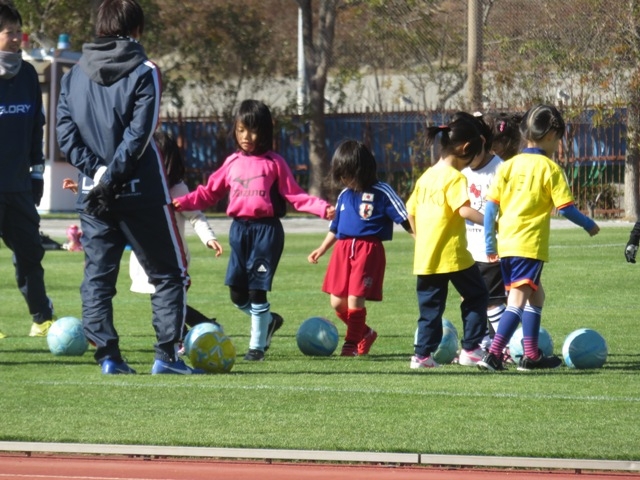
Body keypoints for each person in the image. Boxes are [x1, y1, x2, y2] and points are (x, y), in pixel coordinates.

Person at [56, 0, 195, 375]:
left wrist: (98, 175)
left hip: (93, 193)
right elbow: (140, 135)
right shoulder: (145, 70)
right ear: (136, 30)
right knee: (169, 273)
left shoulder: (73, 75)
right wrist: (114, 176)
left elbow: (64, 134)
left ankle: (108, 357)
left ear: (100, 27)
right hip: (141, 191)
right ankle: (167, 356)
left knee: (98, 279)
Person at [173, 99, 335, 361]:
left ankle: (256, 348)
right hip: (239, 231)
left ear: (265, 132)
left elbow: (295, 195)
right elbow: (209, 193)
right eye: (241, 130)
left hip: (266, 232)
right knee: (237, 295)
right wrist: (183, 202)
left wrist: (321, 208)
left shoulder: (274, 163)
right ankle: (269, 321)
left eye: (253, 130)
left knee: (257, 291)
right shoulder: (232, 162)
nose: (247, 137)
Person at [478, 104, 600, 372]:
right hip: (529, 245)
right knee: (518, 301)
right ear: (550, 135)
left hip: (508, 245)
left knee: (537, 296)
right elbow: (565, 207)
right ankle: (495, 353)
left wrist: (490, 242)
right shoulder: (549, 168)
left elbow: (490, 208)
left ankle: (531, 355)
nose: (557, 144)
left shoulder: (507, 166)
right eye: (558, 138)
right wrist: (588, 224)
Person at [307, 140, 413, 356]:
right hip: (343, 250)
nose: (344, 179)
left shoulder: (382, 191)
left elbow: (404, 217)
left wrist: (420, 241)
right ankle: (365, 333)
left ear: (362, 170)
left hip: (367, 250)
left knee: (356, 297)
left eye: (347, 174)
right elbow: (335, 227)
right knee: (337, 302)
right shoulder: (344, 195)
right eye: (341, 174)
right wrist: (322, 248)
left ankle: (351, 344)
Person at [406, 113, 489, 369]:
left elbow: (410, 211)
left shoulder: (426, 177)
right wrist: (493, 222)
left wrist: (420, 237)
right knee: (476, 295)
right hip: (453, 254)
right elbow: (464, 211)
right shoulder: (455, 178)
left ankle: (421, 356)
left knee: (430, 310)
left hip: (426, 257)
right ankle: (472, 348)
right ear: (465, 149)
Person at [128, 130, 224, 338]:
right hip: (146, 259)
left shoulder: (177, 189)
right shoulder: (137, 187)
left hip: (173, 260)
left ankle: (177, 340)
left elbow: (195, 216)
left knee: (165, 306)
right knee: (167, 304)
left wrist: (209, 238)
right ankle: (203, 328)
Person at [0, 1, 55, 338]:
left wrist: (36, 174)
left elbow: (37, 126)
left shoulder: (29, 75)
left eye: (18, 33)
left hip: (19, 187)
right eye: (9, 33)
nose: (17, 39)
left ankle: (42, 318)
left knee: (31, 255)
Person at [461, 112, 522, 357]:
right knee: (473, 300)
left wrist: (495, 227)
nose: (464, 159)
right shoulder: (463, 172)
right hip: (468, 249)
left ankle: (505, 346)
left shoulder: (501, 169)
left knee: (493, 301)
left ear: (482, 143)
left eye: (468, 153)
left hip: (491, 250)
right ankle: (482, 343)